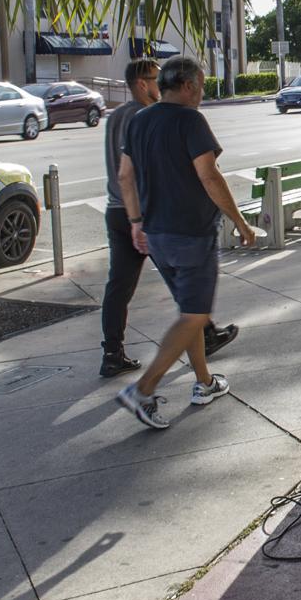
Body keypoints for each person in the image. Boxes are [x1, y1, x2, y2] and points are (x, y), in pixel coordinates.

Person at [115, 57, 256, 430]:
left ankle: (204, 382)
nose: (204, 93)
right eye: (204, 85)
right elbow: (209, 176)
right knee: (194, 315)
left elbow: (124, 176)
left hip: (157, 235)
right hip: (191, 235)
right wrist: (239, 221)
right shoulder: (190, 121)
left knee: (188, 312)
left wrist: (135, 222)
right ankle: (142, 390)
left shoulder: (139, 120)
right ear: (190, 85)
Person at [100, 58, 239, 377]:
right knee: (188, 290)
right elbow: (135, 176)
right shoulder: (148, 117)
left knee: (118, 287)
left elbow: (120, 173)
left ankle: (112, 352)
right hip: (150, 217)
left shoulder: (117, 117)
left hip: (117, 211)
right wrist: (140, 219)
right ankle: (196, 343)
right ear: (141, 84)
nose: (158, 83)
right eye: (153, 77)